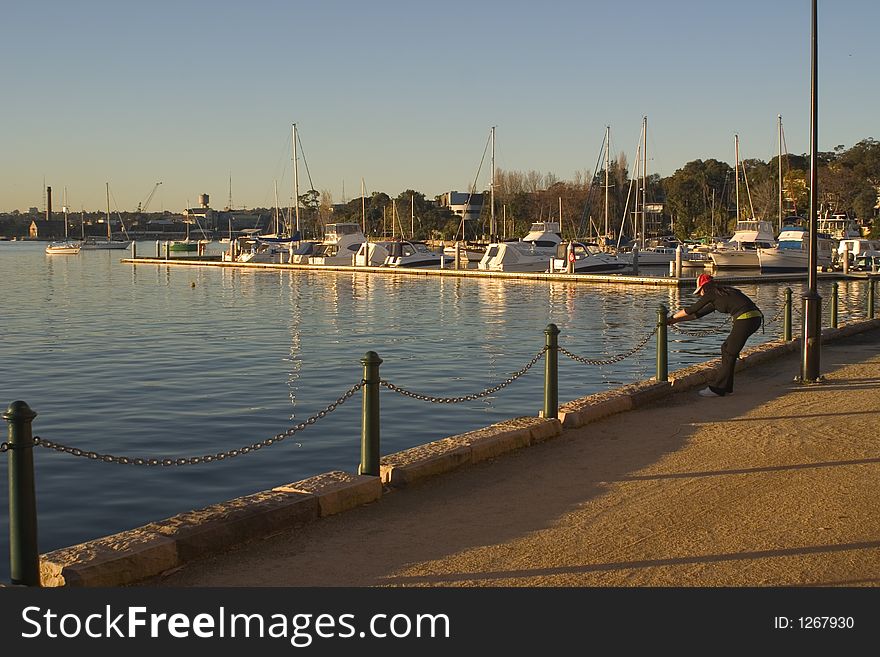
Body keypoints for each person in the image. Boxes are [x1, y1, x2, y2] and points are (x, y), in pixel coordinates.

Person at [666, 273, 763, 397]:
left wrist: (670, 318)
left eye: (699, 291)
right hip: (753, 318)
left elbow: (691, 309)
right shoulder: (720, 295)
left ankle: (718, 389)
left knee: (728, 351)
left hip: (746, 319)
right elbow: (697, 315)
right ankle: (726, 387)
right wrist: (676, 321)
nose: (700, 295)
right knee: (727, 349)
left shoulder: (712, 293)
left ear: (704, 287)